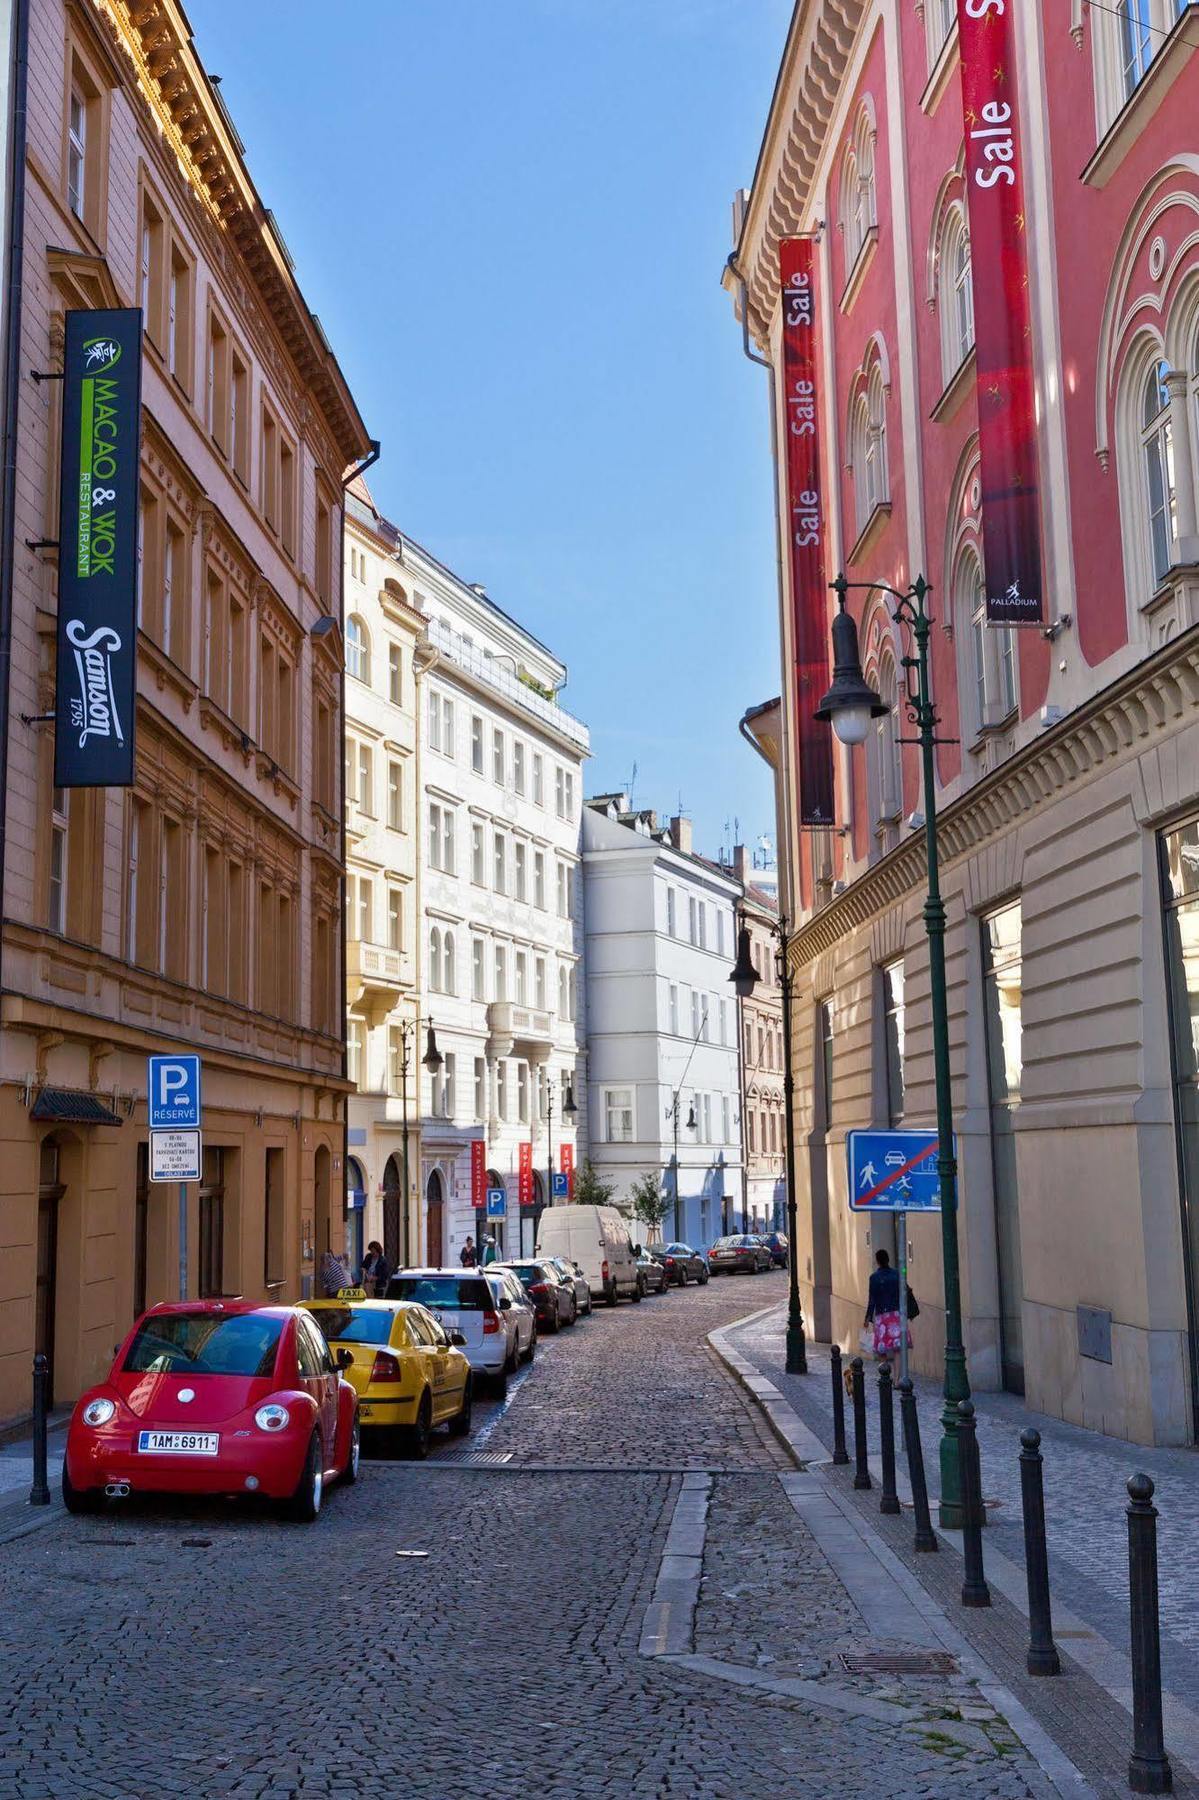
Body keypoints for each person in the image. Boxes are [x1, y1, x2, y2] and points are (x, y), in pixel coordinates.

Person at [864, 1247, 911, 1359]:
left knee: (882, 1348)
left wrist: (867, 1318)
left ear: (877, 1261)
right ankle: (896, 1376)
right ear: (888, 1260)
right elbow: (906, 1290)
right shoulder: (897, 1274)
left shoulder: (874, 1278)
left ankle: (884, 1373)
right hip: (896, 1315)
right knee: (897, 1349)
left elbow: (872, 1300)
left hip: (881, 1316)